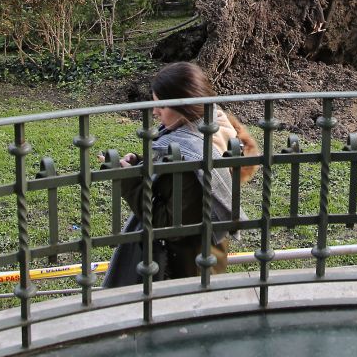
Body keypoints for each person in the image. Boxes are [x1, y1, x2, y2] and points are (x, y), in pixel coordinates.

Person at [102, 62, 258, 288]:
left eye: (162, 106)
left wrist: (128, 181)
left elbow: (169, 225)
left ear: (184, 104)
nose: (154, 112)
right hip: (205, 255)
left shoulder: (191, 156)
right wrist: (142, 163)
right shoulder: (213, 126)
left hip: (185, 268)